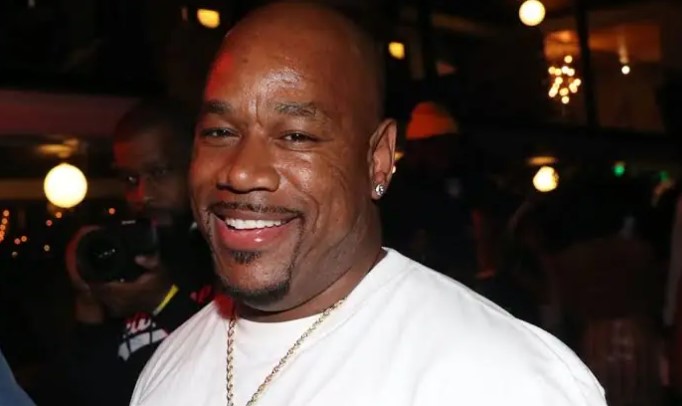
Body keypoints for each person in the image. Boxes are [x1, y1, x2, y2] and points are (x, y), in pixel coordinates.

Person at [130, 2, 606, 405]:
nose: (240, 171)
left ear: (377, 160)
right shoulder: (166, 367)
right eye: (219, 132)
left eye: (296, 135)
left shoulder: (503, 381)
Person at [36, 100, 215, 406]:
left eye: (159, 172)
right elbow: (81, 392)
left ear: (195, 164)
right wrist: (88, 303)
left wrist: (163, 302)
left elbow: (237, 368)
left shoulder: (223, 258)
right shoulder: (122, 254)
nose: (142, 195)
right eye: (130, 179)